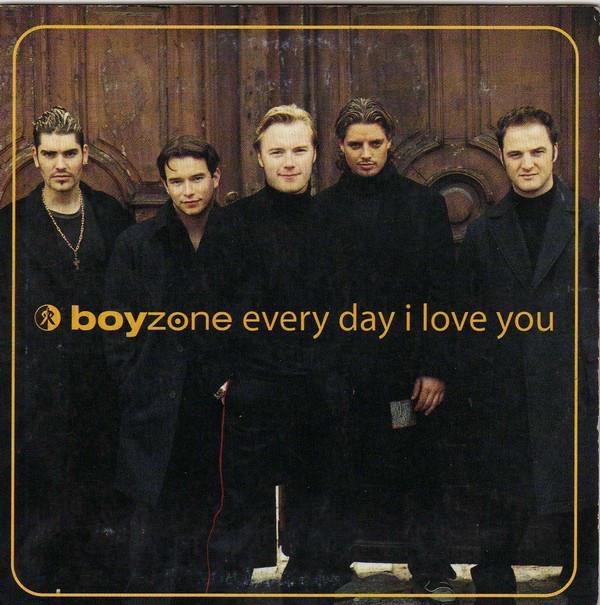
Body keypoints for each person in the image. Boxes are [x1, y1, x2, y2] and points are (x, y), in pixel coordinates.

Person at [313, 97, 457, 599]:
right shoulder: (322, 210)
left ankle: (432, 567)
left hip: (405, 375)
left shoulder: (422, 205)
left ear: (390, 142)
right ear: (340, 146)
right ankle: (330, 564)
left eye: (375, 143)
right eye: (356, 144)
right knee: (339, 466)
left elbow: (441, 293)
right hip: (345, 373)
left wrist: (434, 367)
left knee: (417, 465)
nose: (366, 153)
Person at [456, 106, 598, 605]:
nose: (527, 163)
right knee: (500, 503)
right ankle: (495, 592)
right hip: (505, 391)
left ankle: (583, 591)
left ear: (556, 152)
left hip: (570, 387)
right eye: (515, 154)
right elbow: (469, 317)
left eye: (537, 151)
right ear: (501, 158)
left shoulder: (588, 221)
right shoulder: (484, 231)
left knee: (579, 502)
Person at [214, 104, 354, 601]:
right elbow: (212, 302)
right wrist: (223, 372)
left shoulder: (337, 220)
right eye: (277, 152)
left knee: (318, 478)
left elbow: (352, 303)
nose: (289, 161)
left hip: (319, 374)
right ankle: (232, 571)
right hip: (255, 375)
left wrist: (335, 367)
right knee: (242, 481)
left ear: (315, 153)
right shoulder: (233, 223)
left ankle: (311, 568)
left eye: (298, 150)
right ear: (259, 157)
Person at [0, 106, 132, 597]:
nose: (61, 164)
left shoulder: (111, 217)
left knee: (99, 513)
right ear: (35, 158)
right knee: (37, 514)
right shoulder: (10, 225)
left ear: (86, 155)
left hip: (102, 391)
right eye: (50, 154)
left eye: (70, 153)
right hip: (36, 395)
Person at [103, 135, 242, 598]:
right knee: (153, 532)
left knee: (214, 527)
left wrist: (237, 379)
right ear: (164, 185)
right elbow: (116, 327)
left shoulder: (239, 238)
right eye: (176, 181)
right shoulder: (137, 243)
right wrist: (135, 383)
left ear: (216, 177)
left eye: (197, 178)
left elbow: (257, 316)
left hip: (220, 405)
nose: (188, 191)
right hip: (155, 407)